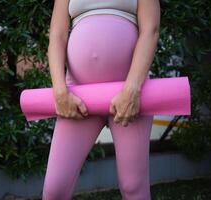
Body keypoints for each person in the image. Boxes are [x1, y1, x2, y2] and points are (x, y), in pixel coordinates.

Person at [42, 0, 160, 199]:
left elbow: (151, 30)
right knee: (55, 189)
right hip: (78, 98)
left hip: (130, 95)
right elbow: (57, 35)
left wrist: (132, 90)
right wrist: (60, 91)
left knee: (133, 187)